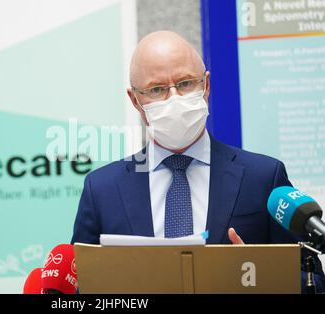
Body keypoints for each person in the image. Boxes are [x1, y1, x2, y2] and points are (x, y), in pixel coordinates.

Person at [71, 30, 324, 292]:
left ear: (206, 85)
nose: (175, 99)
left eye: (185, 84)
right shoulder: (102, 190)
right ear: (135, 100)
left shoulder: (263, 177)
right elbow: (80, 288)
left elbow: (313, 279)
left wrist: (263, 278)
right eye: (157, 89)